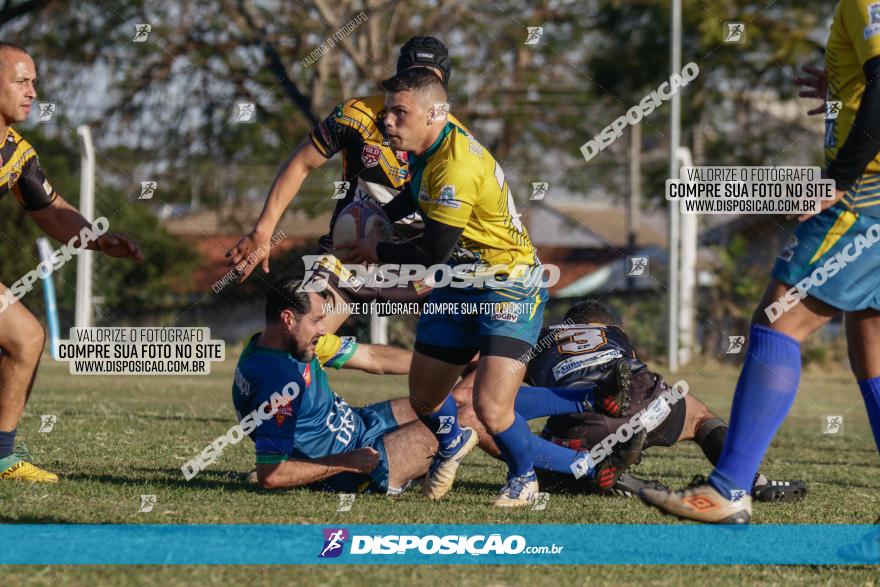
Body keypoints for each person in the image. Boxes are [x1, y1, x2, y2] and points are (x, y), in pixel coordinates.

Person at [640, 0, 880, 523]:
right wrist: (849, 92)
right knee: (872, 348)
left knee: (779, 321)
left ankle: (727, 489)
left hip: (867, 199)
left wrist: (838, 177)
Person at [336, 68, 549, 507]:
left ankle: (524, 479)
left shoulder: (456, 166)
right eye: (386, 112)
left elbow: (432, 253)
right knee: (424, 398)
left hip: (508, 285)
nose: (387, 122)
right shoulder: (426, 145)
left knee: (491, 407)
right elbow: (416, 195)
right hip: (459, 281)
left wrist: (376, 248)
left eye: (399, 113)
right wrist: (381, 219)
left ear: (435, 113)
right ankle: (452, 440)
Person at [451, 300, 807, 501]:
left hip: (583, 422)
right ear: (608, 326)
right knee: (700, 418)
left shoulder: (540, 335)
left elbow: (480, 371)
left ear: (569, 323)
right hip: (647, 398)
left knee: (494, 416)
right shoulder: (616, 336)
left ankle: (586, 468)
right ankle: (750, 479)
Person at [225, 37, 464, 333]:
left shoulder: (459, 141)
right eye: (411, 77)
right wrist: (264, 230)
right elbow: (302, 163)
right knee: (300, 335)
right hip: (349, 252)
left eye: (427, 80)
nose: (418, 86)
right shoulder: (357, 115)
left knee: (461, 357)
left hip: (418, 260)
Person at [0, 43, 143, 483]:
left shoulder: (15, 152)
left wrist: (99, 240)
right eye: (21, 81)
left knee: (26, 338)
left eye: (34, 82)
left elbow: (50, 209)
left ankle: (2, 457)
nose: (31, 92)